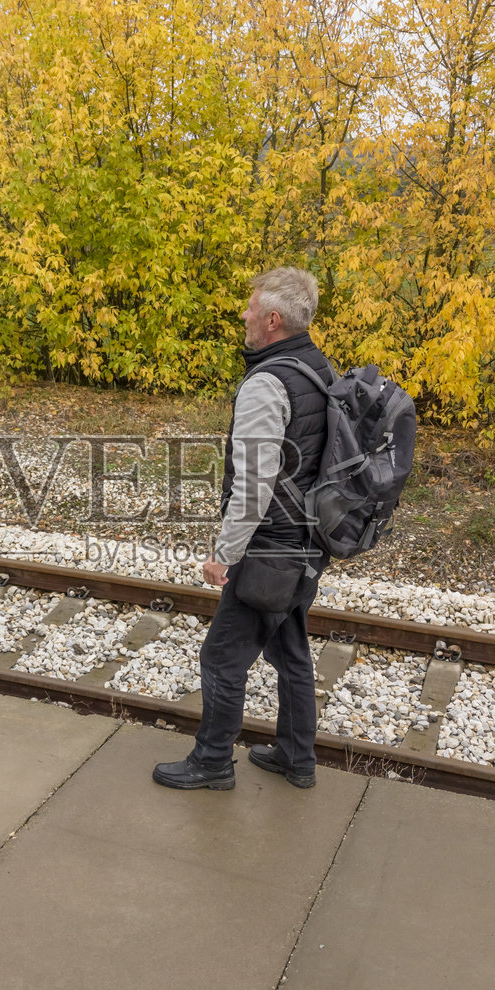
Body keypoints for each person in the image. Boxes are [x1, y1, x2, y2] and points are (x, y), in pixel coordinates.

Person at [153, 267, 334, 791]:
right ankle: (296, 758)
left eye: (251, 308)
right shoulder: (317, 367)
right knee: (290, 649)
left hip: (269, 548)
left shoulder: (267, 383)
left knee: (222, 655)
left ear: (272, 319)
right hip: (307, 542)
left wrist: (224, 554)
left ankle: (211, 763)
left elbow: (255, 482)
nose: (244, 315)